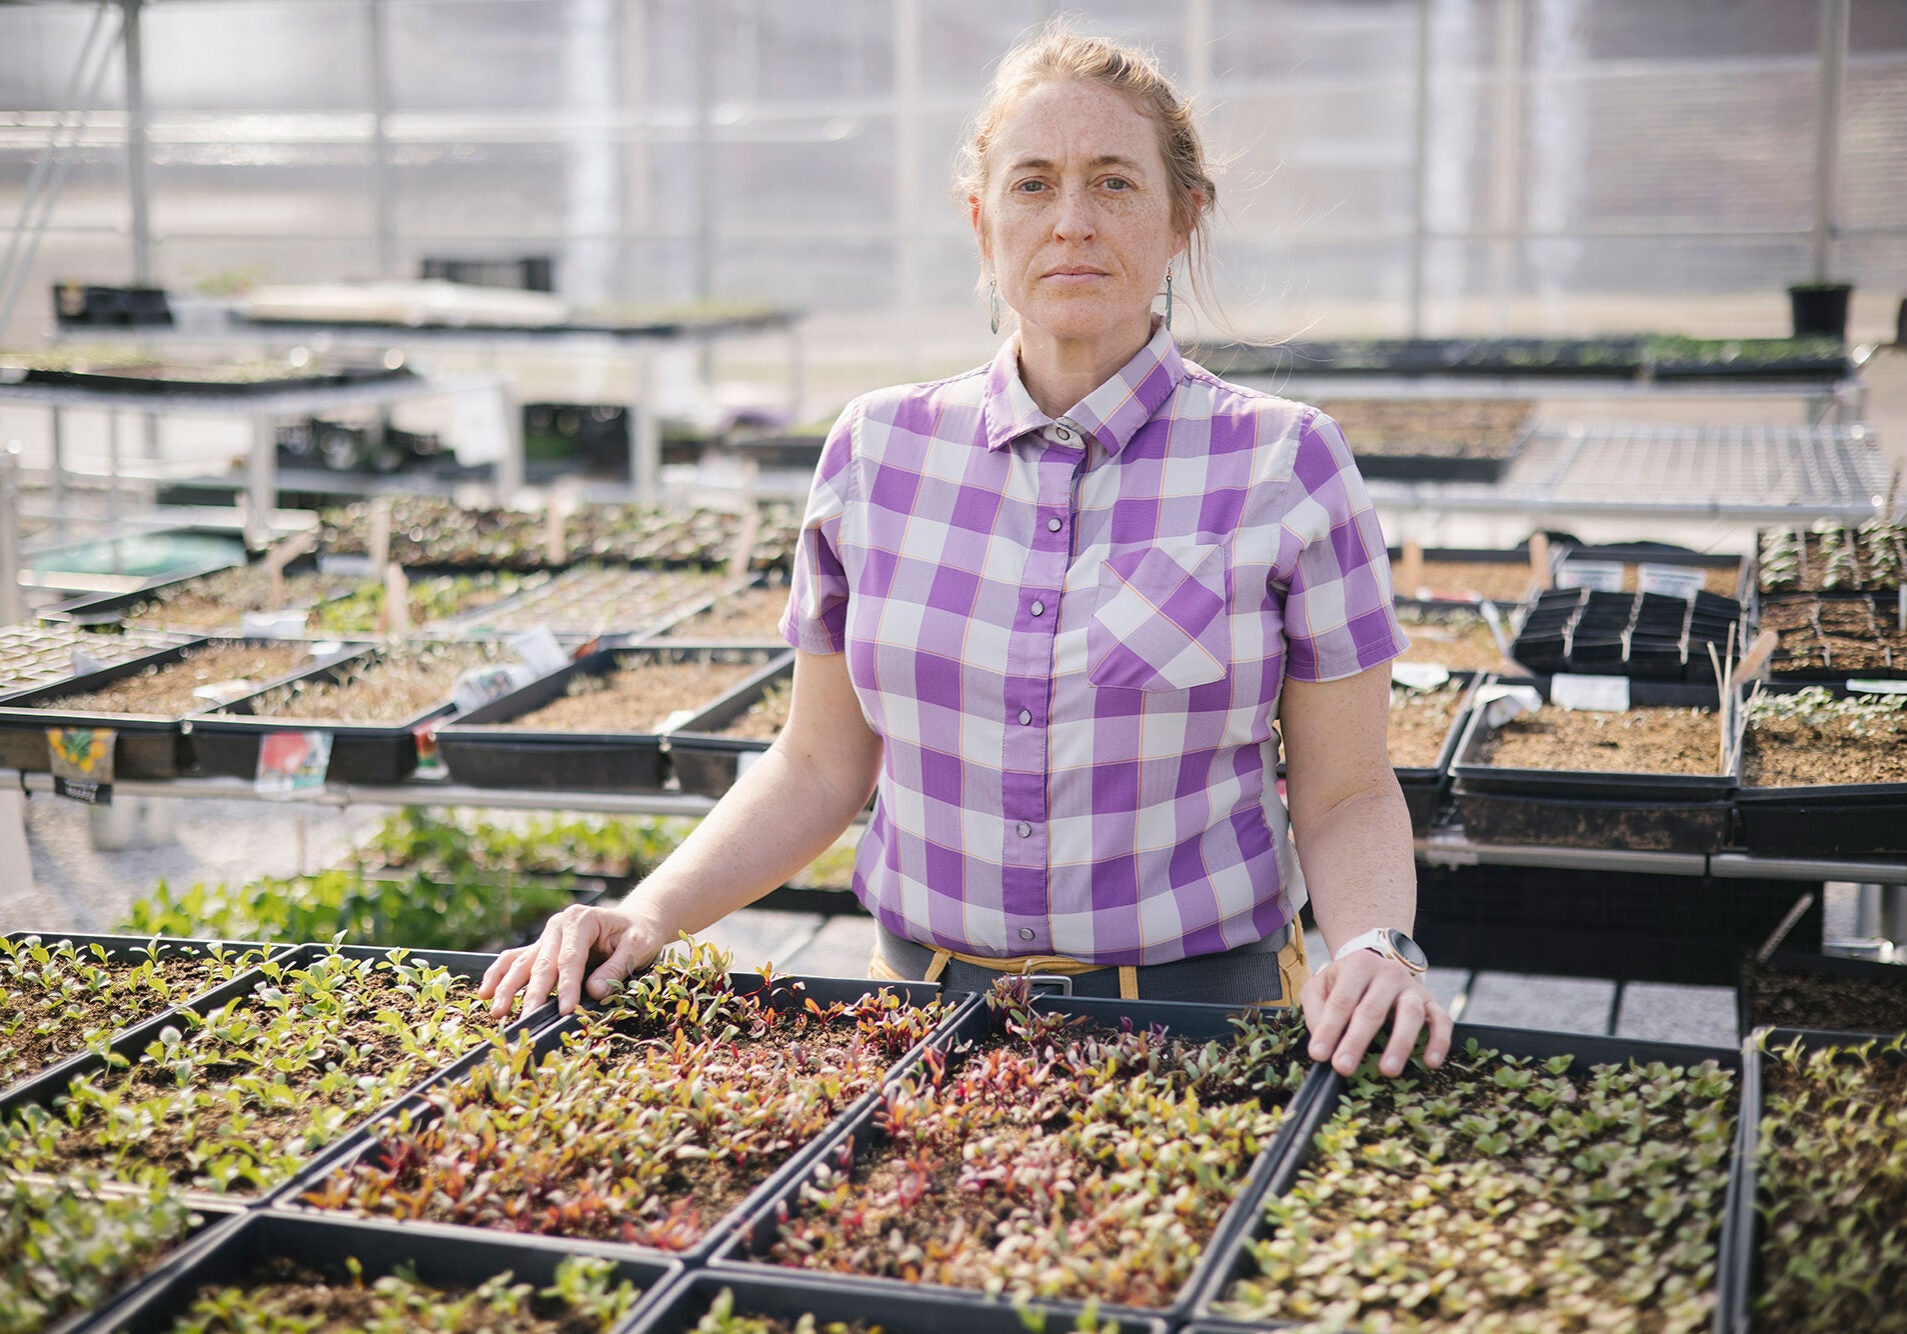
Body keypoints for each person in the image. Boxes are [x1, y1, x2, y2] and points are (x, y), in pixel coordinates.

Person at [481, 24, 1452, 1080]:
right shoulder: (876, 449)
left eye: (1114, 183)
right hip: (920, 1016)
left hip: (1199, 1022)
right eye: (1032, 184)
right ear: (980, 217)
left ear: (1182, 217)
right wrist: (648, 909)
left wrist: (1371, 945)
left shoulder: (1282, 461)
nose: (1071, 222)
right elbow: (816, 763)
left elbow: (1345, 789)